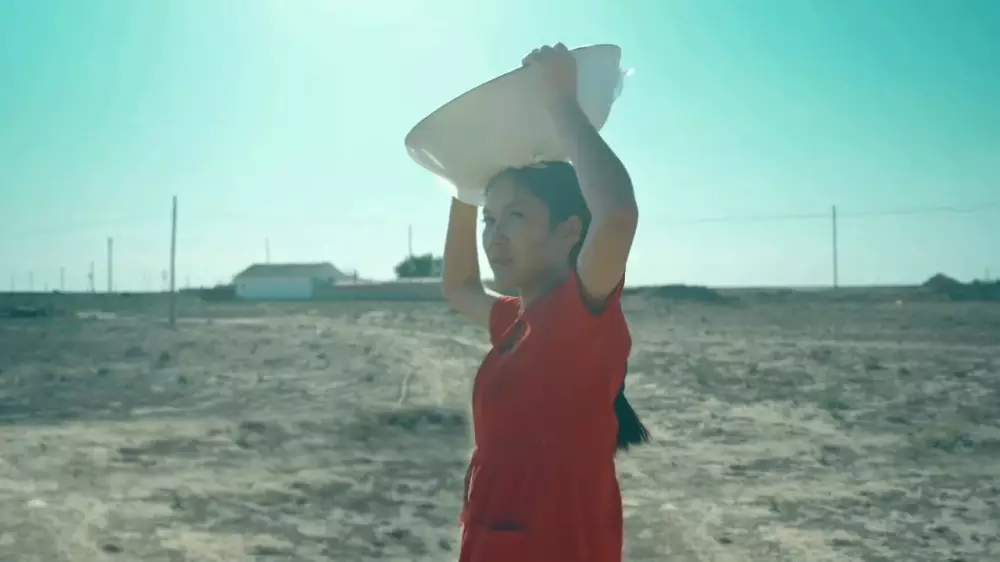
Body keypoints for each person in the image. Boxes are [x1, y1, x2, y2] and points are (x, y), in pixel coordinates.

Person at [441, 43, 649, 562]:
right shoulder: (519, 322)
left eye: (515, 216)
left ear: (568, 232)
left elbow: (617, 215)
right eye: (490, 220)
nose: (495, 236)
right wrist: (464, 188)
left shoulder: (578, 318)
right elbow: (459, 285)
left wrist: (561, 101)